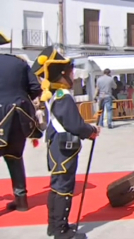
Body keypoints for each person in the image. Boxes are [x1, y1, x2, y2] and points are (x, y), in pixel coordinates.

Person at [32, 46, 100, 239]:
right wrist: (92, 131)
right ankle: (62, 231)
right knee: (64, 188)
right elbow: (75, 125)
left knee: (56, 186)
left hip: (57, 146)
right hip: (64, 148)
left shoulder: (56, 95)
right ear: (62, 75)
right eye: (70, 72)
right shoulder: (63, 96)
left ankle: (54, 225)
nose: (73, 75)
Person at [0, 32, 43, 212]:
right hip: (17, 117)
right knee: (15, 157)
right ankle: (22, 201)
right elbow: (35, 88)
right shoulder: (19, 62)